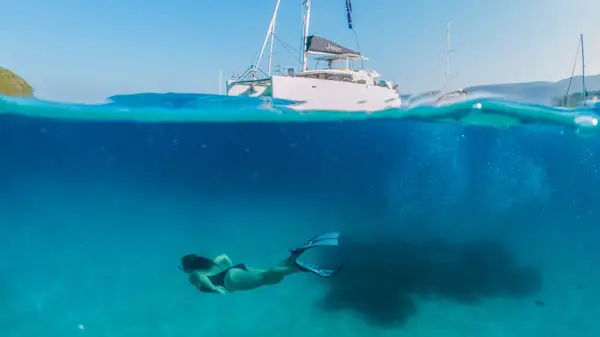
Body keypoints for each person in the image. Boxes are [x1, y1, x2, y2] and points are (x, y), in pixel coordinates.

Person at [179, 232, 341, 294]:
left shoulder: (193, 275)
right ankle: (295, 256)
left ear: (189, 268)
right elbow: (223, 256)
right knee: (270, 275)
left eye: (184, 268)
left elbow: (199, 278)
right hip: (236, 270)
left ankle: (296, 268)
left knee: (268, 277)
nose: (184, 270)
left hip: (230, 281)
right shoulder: (210, 263)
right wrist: (230, 267)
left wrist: (215, 288)